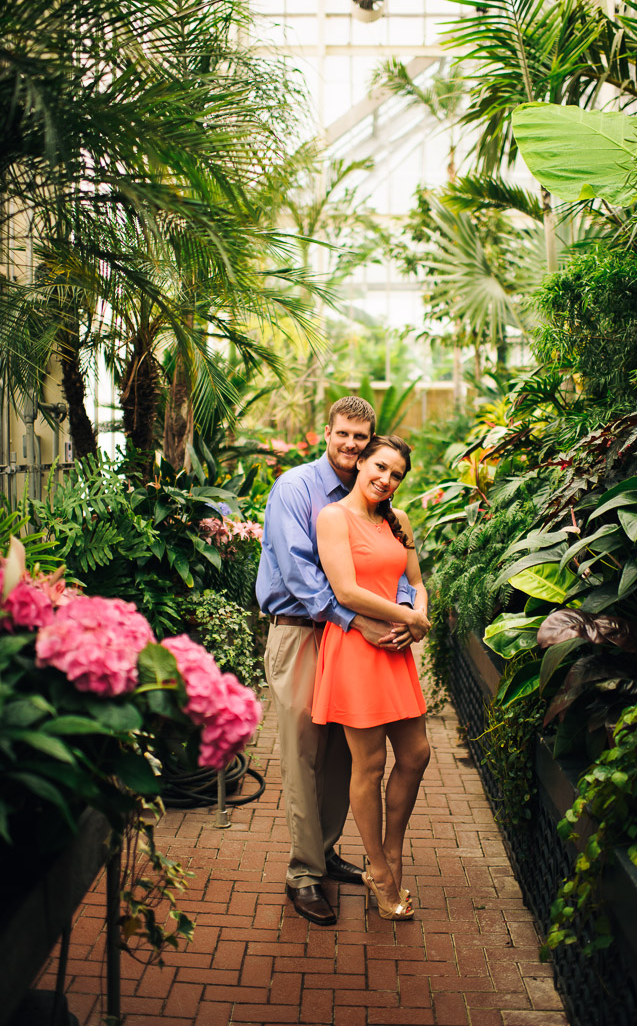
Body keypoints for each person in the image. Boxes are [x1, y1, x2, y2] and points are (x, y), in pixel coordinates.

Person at [256, 397, 425, 926]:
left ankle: (325, 852)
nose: (351, 444)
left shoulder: (378, 505)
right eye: (343, 435)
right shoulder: (297, 490)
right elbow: (303, 575)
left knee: (340, 757)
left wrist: (403, 614)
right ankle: (303, 875)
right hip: (302, 631)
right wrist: (363, 622)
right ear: (325, 433)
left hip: (351, 635)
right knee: (305, 753)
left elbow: (397, 569)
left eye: (361, 437)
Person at [312, 434, 431, 921]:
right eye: (380, 467)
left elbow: (418, 582)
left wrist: (415, 612)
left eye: (396, 474)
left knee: (417, 753)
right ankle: (379, 871)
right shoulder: (333, 517)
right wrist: (410, 620)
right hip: (357, 650)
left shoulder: (397, 521)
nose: (386, 479)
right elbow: (346, 590)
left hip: (395, 650)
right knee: (369, 764)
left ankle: (391, 852)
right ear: (360, 462)